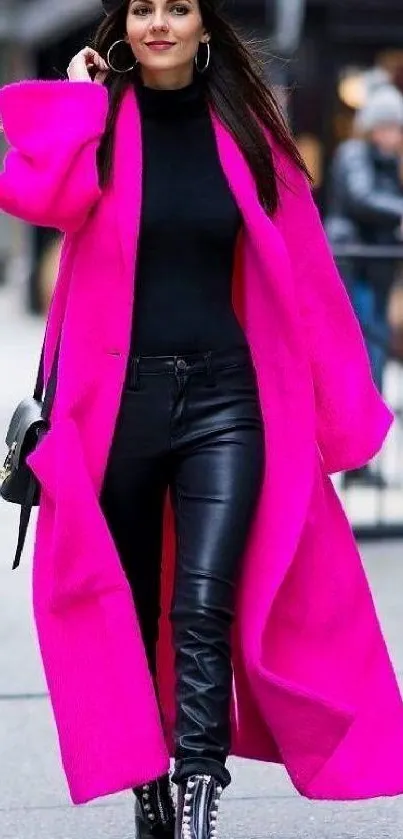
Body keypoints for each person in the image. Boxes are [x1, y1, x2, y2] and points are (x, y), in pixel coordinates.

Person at [1, 1, 403, 837]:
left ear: (202, 26)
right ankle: (148, 786)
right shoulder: (103, 122)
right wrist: (77, 100)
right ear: (122, 27)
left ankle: (194, 795)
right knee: (134, 605)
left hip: (227, 400)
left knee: (203, 607)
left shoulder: (244, 127)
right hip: (120, 405)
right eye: (141, 9)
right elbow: (41, 197)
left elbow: (302, 267)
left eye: (175, 8)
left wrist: (336, 396)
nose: (157, 24)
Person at [327, 84, 403, 486]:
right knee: (362, 363)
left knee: (373, 367)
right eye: (390, 125)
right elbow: (361, 198)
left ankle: (363, 460)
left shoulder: (386, 162)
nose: (395, 134)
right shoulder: (355, 155)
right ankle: (355, 460)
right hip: (355, 270)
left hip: (372, 276)